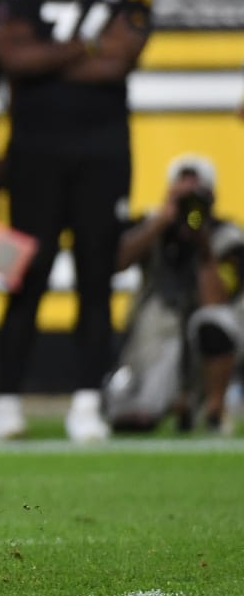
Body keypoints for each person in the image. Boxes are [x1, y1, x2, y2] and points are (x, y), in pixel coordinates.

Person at [0, 0, 153, 443]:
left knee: (95, 276)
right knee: (25, 273)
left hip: (101, 153)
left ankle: (88, 398)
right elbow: (12, 56)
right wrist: (86, 46)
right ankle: (6, 398)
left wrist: (50, 58)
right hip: (34, 152)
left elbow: (117, 64)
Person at [106, 155, 244, 434]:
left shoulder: (227, 237)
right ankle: (173, 402)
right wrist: (162, 220)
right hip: (160, 337)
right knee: (133, 417)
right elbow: (117, 262)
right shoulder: (154, 227)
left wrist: (204, 248)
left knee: (213, 322)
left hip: (211, 347)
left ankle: (214, 410)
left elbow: (218, 302)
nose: (189, 206)